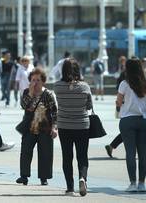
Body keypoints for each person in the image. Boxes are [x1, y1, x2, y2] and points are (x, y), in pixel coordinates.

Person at [54, 58, 92, 197]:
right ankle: (82, 178)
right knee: (82, 156)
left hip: (64, 125)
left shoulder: (57, 86)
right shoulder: (85, 87)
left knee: (67, 156)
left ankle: (70, 188)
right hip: (82, 125)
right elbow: (89, 106)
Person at [16, 68, 58, 186]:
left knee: (45, 153)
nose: (35, 82)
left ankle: (44, 178)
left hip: (45, 128)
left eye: (38, 80)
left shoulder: (48, 94)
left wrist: (55, 128)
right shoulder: (26, 92)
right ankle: (24, 176)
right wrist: (30, 93)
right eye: (33, 80)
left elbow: (55, 112)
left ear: (43, 81)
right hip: (29, 128)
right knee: (25, 151)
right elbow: (24, 105)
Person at [116, 58, 146, 192]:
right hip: (143, 120)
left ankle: (132, 184)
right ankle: (142, 184)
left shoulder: (124, 84)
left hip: (127, 120)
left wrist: (121, 103)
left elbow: (119, 102)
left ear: (127, 69)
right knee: (143, 153)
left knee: (130, 153)